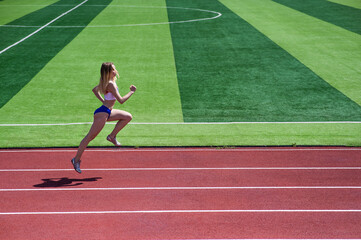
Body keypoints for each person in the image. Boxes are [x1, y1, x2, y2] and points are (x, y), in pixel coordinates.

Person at [71, 62, 136, 173]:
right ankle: (76, 159)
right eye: (113, 70)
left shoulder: (106, 82)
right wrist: (131, 92)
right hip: (102, 113)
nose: (115, 71)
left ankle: (112, 136)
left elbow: (94, 90)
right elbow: (121, 100)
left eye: (115, 69)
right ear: (108, 72)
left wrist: (104, 102)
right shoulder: (110, 84)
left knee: (127, 117)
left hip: (107, 111)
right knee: (89, 138)